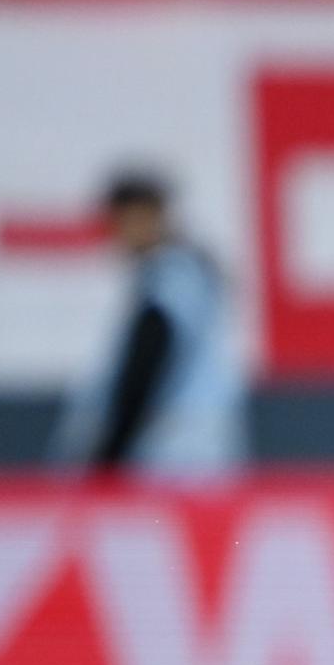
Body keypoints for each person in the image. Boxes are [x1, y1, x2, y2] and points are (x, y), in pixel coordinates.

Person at [49, 169, 245, 481]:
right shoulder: (188, 272)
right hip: (201, 451)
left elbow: (146, 365)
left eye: (120, 222)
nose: (115, 235)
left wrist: (109, 455)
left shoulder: (171, 279)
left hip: (169, 455)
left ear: (146, 216)